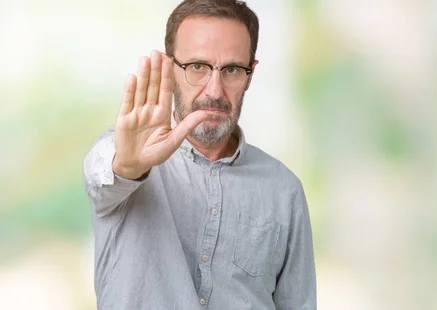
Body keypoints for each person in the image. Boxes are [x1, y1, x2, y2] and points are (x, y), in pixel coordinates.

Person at [82, 0, 316, 309]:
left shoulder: (285, 190)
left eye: (232, 69)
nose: (214, 91)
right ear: (170, 68)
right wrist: (129, 165)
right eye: (197, 67)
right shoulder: (124, 156)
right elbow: (103, 179)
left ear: (250, 74)